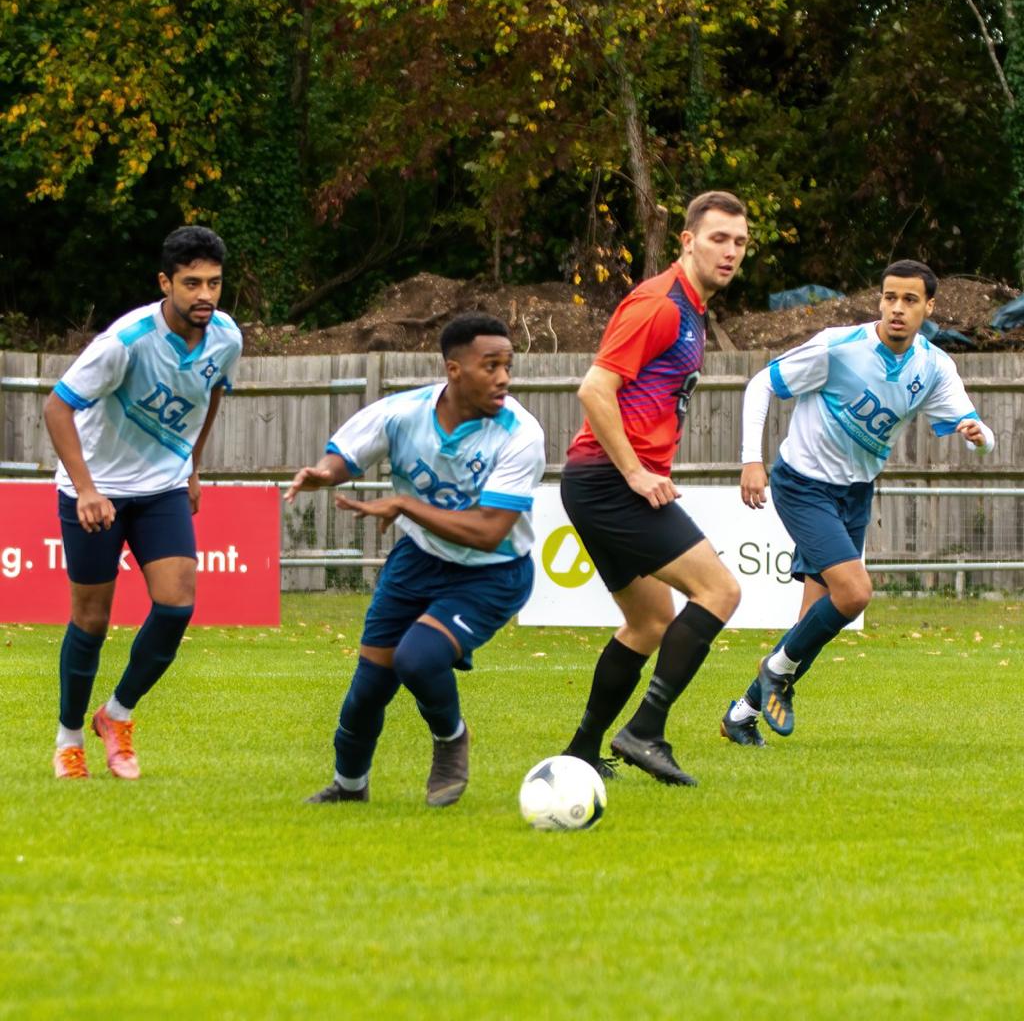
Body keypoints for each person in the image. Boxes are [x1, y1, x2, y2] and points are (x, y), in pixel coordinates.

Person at [721, 259, 995, 745]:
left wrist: (981, 435)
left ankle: (741, 714)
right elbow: (762, 382)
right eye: (890, 297)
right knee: (854, 594)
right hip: (803, 484)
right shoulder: (838, 346)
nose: (897, 308)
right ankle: (773, 673)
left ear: (929, 307)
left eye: (910, 300)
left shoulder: (933, 366)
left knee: (812, 622)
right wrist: (750, 460)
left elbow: (977, 429)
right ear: (880, 301)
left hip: (855, 493)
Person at [286, 313, 545, 808]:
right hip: (419, 560)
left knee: (417, 658)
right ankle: (349, 788)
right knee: (368, 689)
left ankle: (451, 739)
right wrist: (324, 474)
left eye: (507, 365)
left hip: (492, 573)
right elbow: (346, 455)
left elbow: (490, 532)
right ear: (454, 370)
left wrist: (406, 505)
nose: (503, 378)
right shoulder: (403, 413)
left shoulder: (520, 435)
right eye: (490, 366)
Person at [560, 191, 748, 787]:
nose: (731, 251)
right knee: (719, 591)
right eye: (718, 238)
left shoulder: (692, 309)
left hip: (599, 484)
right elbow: (594, 389)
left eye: (740, 243)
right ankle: (645, 731)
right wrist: (637, 472)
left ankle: (581, 752)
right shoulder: (659, 304)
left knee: (648, 623)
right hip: (612, 484)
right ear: (687, 240)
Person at [44, 226, 242, 779]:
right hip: (97, 489)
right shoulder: (125, 341)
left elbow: (213, 394)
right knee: (90, 619)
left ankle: (117, 715)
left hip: (162, 488)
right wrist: (86, 489)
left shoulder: (227, 338)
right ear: (166, 282)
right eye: (192, 282)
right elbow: (56, 409)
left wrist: (194, 467)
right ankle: (68, 739)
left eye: (215, 283)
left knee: (177, 605)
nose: (205, 294)